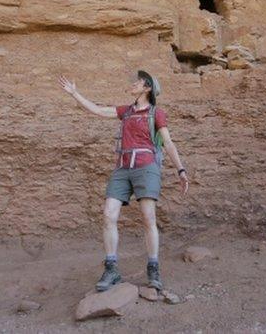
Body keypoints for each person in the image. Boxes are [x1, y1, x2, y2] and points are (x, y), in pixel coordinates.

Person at [59, 70, 190, 292]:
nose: (132, 84)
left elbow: (167, 142)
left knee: (149, 219)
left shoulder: (156, 113)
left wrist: (181, 169)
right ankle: (111, 269)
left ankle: (153, 268)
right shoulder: (126, 112)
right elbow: (99, 111)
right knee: (109, 215)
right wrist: (75, 94)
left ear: (147, 88)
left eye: (137, 82)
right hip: (122, 167)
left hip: (146, 167)